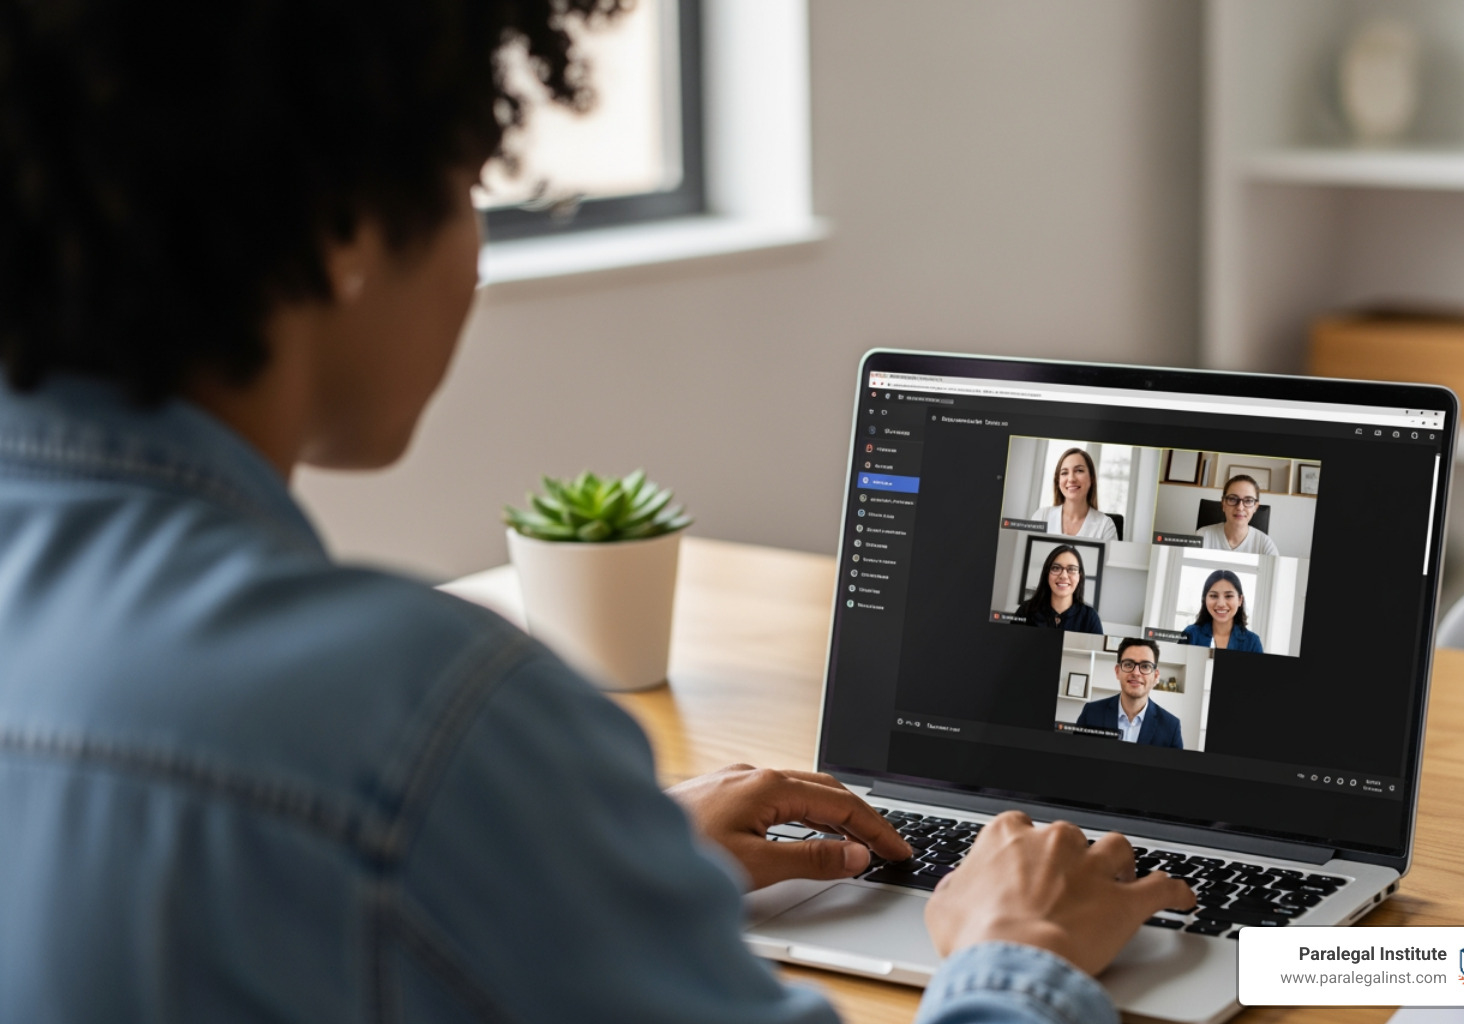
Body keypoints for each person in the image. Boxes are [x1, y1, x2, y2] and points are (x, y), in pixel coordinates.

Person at [0, 3, 1194, 1022]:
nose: (475, 256)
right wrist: (1016, 957)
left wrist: (561, 864)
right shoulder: (420, 727)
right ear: (348, 231)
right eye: (468, 187)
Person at [1076, 639, 1184, 749]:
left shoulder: (1171, 727)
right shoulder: (1091, 712)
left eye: (1145, 666)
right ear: (1118, 671)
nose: (1136, 673)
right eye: (1128, 664)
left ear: (1156, 676)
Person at [1029, 447, 1119, 540]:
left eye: (1079, 471)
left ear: (1091, 478)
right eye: (1064, 473)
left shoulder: (1105, 526)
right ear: (1058, 481)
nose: (1071, 479)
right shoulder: (1041, 517)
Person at [1014, 544, 1103, 633]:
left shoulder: (1090, 617)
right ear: (1047, 574)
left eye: (1071, 569)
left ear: (1080, 576)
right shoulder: (1025, 610)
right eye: (1056, 568)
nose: (1063, 576)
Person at [1181, 569, 1264, 653]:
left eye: (1228, 596)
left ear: (1240, 600)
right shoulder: (1190, 634)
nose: (1221, 603)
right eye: (1213, 596)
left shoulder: (1253, 642)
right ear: (1205, 599)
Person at [1198, 474, 1279, 556]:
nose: (1240, 507)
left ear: (1255, 507)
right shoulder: (1203, 536)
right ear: (1223, 504)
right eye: (1233, 499)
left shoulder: (1265, 545)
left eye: (1248, 500)